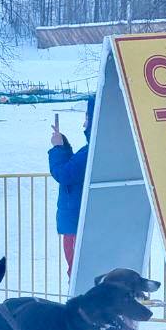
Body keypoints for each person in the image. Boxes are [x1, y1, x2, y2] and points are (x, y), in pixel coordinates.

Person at [50, 95, 94, 276]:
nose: (84, 124)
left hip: (76, 222)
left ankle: (77, 301)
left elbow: (65, 174)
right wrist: (65, 146)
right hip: (81, 219)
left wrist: (58, 149)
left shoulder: (89, 153)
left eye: (87, 118)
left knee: (77, 271)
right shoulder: (92, 150)